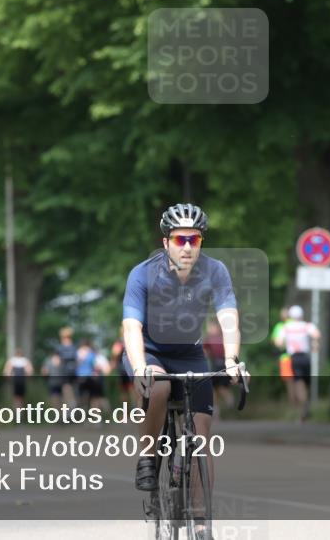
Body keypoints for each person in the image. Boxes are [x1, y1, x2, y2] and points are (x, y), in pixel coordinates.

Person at [122, 202, 246, 540]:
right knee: (159, 387)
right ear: (166, 243)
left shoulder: (215, 271)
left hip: (190, 355)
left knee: (200, 435)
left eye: (194, 239)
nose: (188, 246)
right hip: (148, 350)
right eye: (180, 240)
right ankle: (148, 457)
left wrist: (232, 358)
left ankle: (202, 520)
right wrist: (139, 367)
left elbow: (228, 316)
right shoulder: (143, 274)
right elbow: (131, 327)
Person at [274, 305, 320, 422]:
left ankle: (303, 406)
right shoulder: (306, 325)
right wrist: (315, 344)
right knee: (306, 382)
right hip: (305, 357)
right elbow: (317, 335)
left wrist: (285, 344)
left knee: (298, 383)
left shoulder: (286, 327)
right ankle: (305, 405)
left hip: (294, 358)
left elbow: (278, 342)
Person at [203, 321, 234, 417]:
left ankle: (226, 407)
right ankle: (221, 410)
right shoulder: (223, 338)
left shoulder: (210, 339)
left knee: (219, 388)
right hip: (221, 365)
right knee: (216, 389)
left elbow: (204, 352)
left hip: (217, 366)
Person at [271, 307, 296, 406]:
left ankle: (293, 405)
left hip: (285, 357)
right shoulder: (296, 324)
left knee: (290, 382)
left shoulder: (280, 326)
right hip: (296, 356)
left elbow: (276, 342)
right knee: (297, 381)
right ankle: (299, 406)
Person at [111, 328, 137, 409]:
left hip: (123, 370)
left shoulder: (120, 342)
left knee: (124, 392)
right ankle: (136, 410)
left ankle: (126, 412)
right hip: (132, 368)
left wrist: (114, 362)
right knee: (133, 390)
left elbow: (115, 353)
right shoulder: (133, 341)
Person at [56, 327, 79, 409]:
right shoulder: (74, 347)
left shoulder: (60, 348)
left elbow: (57, 361)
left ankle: (71, 405)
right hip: (73, 371)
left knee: (66, 389)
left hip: (65, 371)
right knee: (72, 389)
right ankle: (72, 404)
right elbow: (77, 360)